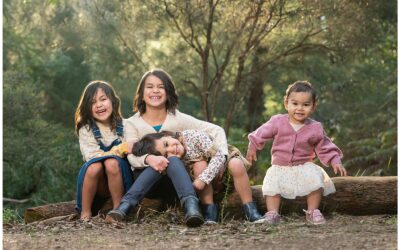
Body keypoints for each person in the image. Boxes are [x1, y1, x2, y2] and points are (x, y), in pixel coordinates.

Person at [107, 69, 263, 225]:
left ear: (168, 92)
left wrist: (223, 155)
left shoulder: (178, 119)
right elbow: (132, 154)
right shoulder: (131, 123)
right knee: (165, 160)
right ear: (141, 92)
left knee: (173, 159)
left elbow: (216, 130)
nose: (155, 90)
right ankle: (125, 207)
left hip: (179, 181)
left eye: (160, 87)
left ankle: (192, 208)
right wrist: (149, 158)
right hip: (148, 181)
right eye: (149, 86)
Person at [246, 80, 347, 225]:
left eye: (306, 104)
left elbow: (325, 145)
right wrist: (253, 145)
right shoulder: (277, 121)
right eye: (295, 103)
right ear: (286, 103)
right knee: (271, 183)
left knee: (316, 178)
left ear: (313, 107)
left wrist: (335, 160)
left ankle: (313, 211)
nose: (300, 108)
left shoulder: (315, 127)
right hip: (280, 167)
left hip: (303, 166)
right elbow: (261, 133)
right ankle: (272, 213)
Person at [74, 80, 133, 221]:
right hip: (99, 182)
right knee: (94, 166)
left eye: (103, 99)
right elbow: (92, 156)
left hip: (121, 177)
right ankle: (85, 212)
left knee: (111, 163)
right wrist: (119, 149)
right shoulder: (86, 128)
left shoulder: (126, 125)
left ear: (112, 101)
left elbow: (132, 149)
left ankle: (118, 209)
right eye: (93, 102)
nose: (99, 105)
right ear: (87, 107)